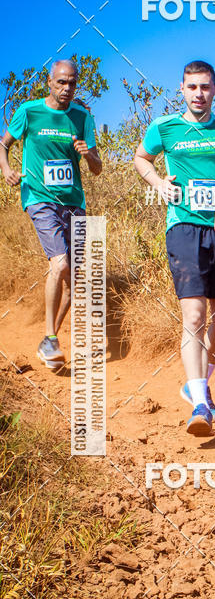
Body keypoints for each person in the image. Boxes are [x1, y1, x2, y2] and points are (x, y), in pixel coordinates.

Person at [134, 60, 215, 436]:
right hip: (184, 227)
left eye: (205, 87)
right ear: (181, 88)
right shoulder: (165, 127)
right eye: (192, 87)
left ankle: (200, 382)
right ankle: (198, 404)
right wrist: (158, 183)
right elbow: (141, 158)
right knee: (193, 317)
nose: (199, 94)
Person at [0, 60, 102, 370]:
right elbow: (3, 144)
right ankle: (51, 337)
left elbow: (97, 169)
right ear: (49, 81)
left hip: (74, 203)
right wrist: (6, 170)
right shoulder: (29, 112)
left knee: (76, 283)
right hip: (39, 198)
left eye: (72, 82)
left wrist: (89, 155)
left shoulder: (82, 117)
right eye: (61, 82)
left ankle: (49, 339)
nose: (66, 88)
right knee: (60, 263)